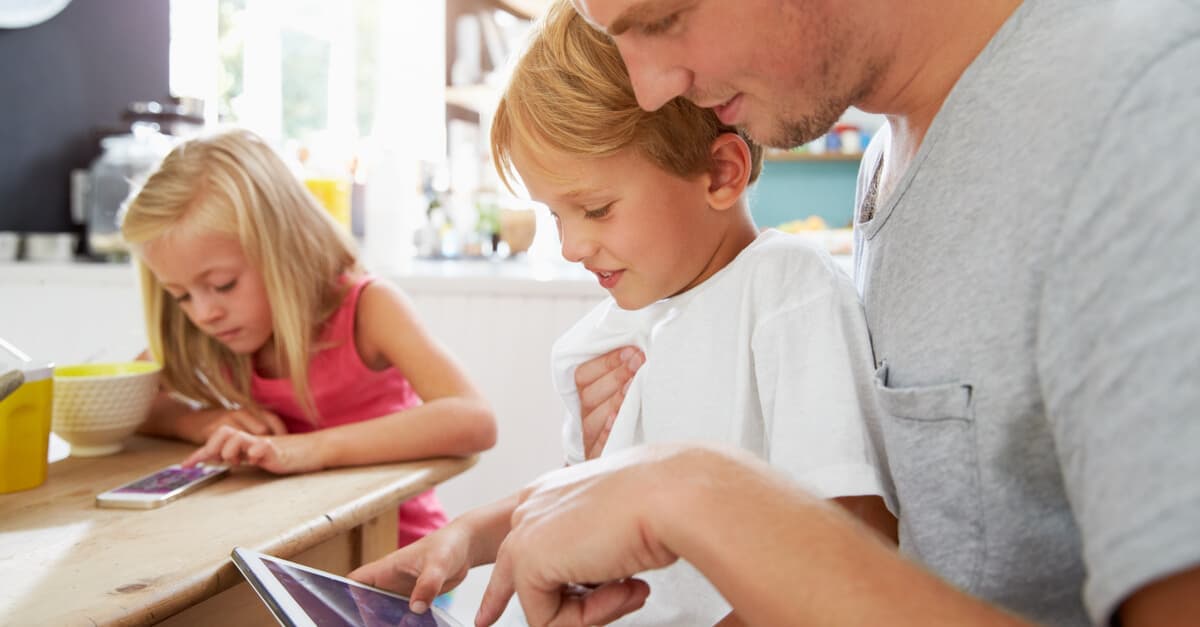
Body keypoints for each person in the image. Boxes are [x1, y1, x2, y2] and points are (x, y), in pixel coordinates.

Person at [472, 0, 1200, 626]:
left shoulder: (1148, 111)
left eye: (665, 19)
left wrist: (690, 490)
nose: (651, 88)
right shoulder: (893, 160)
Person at [349, 2, 894, 624]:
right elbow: (580, 499)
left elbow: (855, 533)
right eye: (557, 214)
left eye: (597, 208)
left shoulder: (787, 290)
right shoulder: (608, 333)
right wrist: (469, 536)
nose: (571, 247)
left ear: (721, 172)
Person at [120, 128, 497, 550]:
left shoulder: (368, 308)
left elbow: (474, 419)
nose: (205, 313)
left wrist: (309, 450)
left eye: (223, 285)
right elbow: (130, 401)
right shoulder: (212, 331)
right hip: (288, 549)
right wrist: (203, 423)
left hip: (399, 554)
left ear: (284, 248)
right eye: (181, 295)